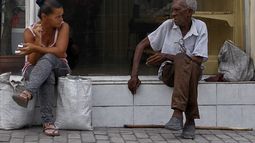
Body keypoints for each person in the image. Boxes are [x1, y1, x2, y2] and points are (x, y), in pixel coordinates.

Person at [128, 0, 208, 139]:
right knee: (185, 62)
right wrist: (134, 76)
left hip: (192, 72)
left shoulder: (200, 26)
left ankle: (178, 115)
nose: (173, 14)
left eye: (177, 10)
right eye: (172, 10)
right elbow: (141, 45)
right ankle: (189, 120)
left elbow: (199, 59)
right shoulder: (168, 25)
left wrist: (166, 55)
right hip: (169, 72)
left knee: (189, 64)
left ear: (189, 12)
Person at [12, 0, 71, 136]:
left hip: (60, 66)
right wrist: (38, 40)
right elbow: (32, 60)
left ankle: (27, 92)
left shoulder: (63, 27)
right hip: (33, 69)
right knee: (47, 75)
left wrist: (36, 47)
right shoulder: (30, 31)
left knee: (49, 57)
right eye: (57, 16)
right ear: (44, 17)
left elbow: (61, 51)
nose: (61, 19)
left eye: (62, 15)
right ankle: (48, 123)